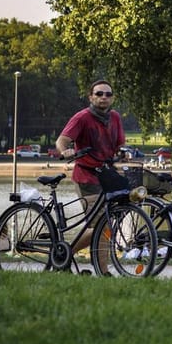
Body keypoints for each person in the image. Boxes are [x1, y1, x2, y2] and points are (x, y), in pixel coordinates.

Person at [56, 79, 128, 274]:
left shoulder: (114, 117)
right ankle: (102, 271)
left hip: (108, 176)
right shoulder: (82, 117)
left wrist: (123, 152)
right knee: (102, 225)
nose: (103, 97)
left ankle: (65, 254)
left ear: (112, 98)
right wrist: (66, 151)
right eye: (99, 94)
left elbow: (119, 144)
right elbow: (62, 140)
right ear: (91, 97)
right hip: (86, 177)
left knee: (105, 224)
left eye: (108, 94)